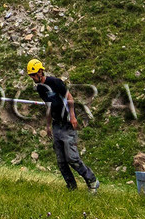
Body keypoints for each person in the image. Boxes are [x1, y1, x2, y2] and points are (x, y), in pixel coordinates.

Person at [27, 57, 97, 191]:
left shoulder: (55, 82)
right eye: (31, 75)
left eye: (34, 74)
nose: (33, 78)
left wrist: (73, 116)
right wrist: (48, 126)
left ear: (40, 72)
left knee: (72, 158)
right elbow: (48, 106)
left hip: (67, 124)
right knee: (61, 161)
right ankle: (71, 187)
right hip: (56, 125)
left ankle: (92, 181)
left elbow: (69, 97)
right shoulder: (40, 88)